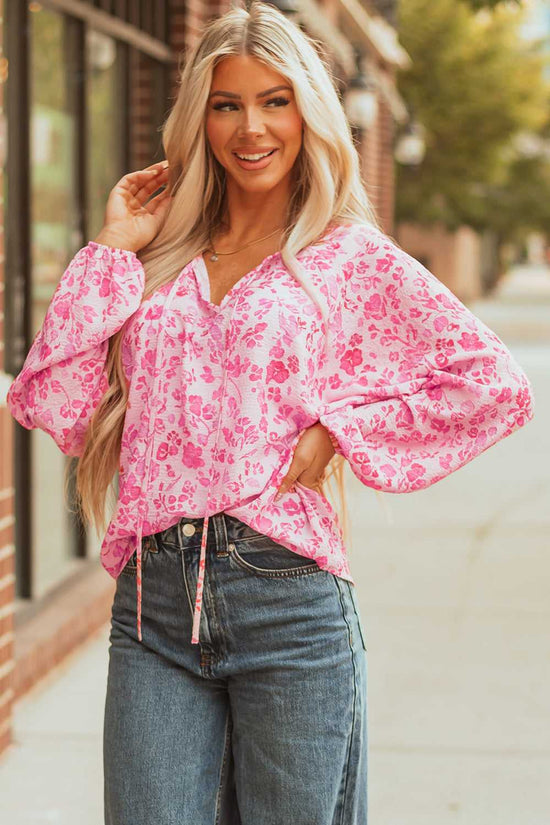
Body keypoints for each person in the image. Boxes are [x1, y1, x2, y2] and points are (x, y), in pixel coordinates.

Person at [6, 3, 535, 824]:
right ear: (200, 119)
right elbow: (59, 399)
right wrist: (113, 247)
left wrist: (343, 434)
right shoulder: (156, 257)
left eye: (274, 100)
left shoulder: (345, 255)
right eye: (227, 104)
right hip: (153, 608)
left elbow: (492, 384)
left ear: (308, 113)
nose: (250, 127)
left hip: (287, 606)